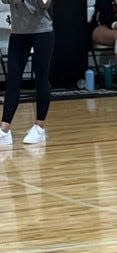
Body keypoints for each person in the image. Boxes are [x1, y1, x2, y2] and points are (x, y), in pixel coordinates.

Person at [0, 0, 54, 147]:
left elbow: (44, 4)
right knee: (12, 78)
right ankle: (4, 130)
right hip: (18, 32)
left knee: (41, 78)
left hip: (42, 31)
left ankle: (40, 127)